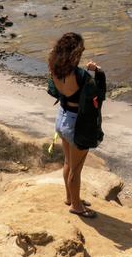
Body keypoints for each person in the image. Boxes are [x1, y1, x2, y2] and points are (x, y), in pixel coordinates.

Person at [47, 32, 106, 218]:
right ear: (75, 52)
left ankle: (70, 198)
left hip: (62, 118)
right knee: (76, 169)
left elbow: (66, 91)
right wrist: (95, 72)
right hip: (77, 123)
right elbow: (93, 95)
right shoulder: (80, 74)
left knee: (67, 162)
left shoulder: (54, 68)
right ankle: (76, 207)